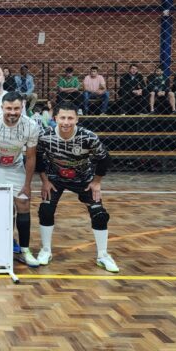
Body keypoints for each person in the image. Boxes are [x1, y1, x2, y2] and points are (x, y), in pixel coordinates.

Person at [35, 101, 117, 272]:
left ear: (77, 119)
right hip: (55, 178)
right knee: (45, 210)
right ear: (55, 118)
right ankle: (45, 250)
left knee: (100, 214)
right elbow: (37, 158)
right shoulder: (45, 136)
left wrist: (96, 182)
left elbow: (105, 159)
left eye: (70, 118)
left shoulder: (88, 137)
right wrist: (45, 181)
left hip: (84, 180)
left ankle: (103, 255)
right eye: (62, 118)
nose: (66, 122)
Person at [0, 92, 40, 267]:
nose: (13, 112)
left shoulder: (31, 126)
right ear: (2, 108)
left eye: (17, 108)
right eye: (9, 108)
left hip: (15, 166)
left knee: (23, 202)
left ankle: (24, 250)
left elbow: (32, 157)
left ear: (22, 108)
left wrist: (27, 185)